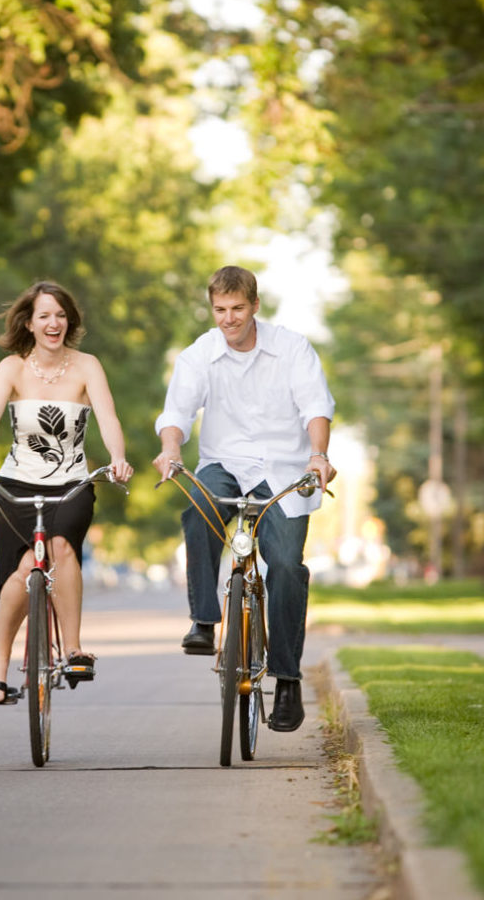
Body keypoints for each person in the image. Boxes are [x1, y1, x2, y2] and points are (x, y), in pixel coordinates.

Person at [153, 265, 335, 733]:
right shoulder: (200, 354)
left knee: (287, 567)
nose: (228, 318)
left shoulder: (292, 348)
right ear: (212, 308)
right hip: (225, 463)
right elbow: (177, 411)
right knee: (199, 504)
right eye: (220, 309)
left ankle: (288, 681)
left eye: (237, 308)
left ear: (254, 305)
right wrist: (171, 451)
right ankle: (203, 618)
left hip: (284, 470)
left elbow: (316, 405)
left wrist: (318, 455)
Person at [0, 280, 133, 705]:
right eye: (44, 316)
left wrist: (118, 458)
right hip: (16, 483)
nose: (54, 323)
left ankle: (72, 649)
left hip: (72, 484)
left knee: (61, 547)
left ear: (70, 322)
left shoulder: (88, 366)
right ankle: (0, 658)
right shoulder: (11, 368)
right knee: (22, 571)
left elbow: (109, 420)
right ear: (29, 323)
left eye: (61, 315)